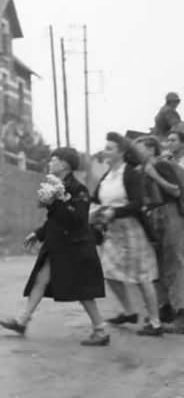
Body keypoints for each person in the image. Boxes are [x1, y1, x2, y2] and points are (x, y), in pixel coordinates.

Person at [0, 147, 109, 345]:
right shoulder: (53, 186)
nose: (50, 163)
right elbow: (54, 220)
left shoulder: (78, 189)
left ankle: (100, 330)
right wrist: (39, 233)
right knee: (41, 279)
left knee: (83, 291)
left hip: (76, 247)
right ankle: (22, 320)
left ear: (65, 164)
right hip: (58, 245)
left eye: (54, 159)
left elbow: (78, 220)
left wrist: (60, 198)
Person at [91, 132, 163, 336]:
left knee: (142, 277)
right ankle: (129, 312)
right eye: (105, 147)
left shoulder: (131, 174)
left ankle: (155, 322)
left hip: (132, 230)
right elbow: (96, 198)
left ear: (121, 152)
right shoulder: (107, 176)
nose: (106, 151)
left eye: (110, 148)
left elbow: (137, 204)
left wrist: (114, 211)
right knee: (109, 272)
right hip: (112, 232)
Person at [135, 136, 184, 331]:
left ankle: (181, 314)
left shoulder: (161, 165)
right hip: (157, 215)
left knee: (175, 263)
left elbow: (175, 192)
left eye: (139, 149)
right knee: (160, 264)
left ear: (150, 149)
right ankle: (167, 309)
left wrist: (153, 174)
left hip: (170, 214)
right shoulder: (143, 169)